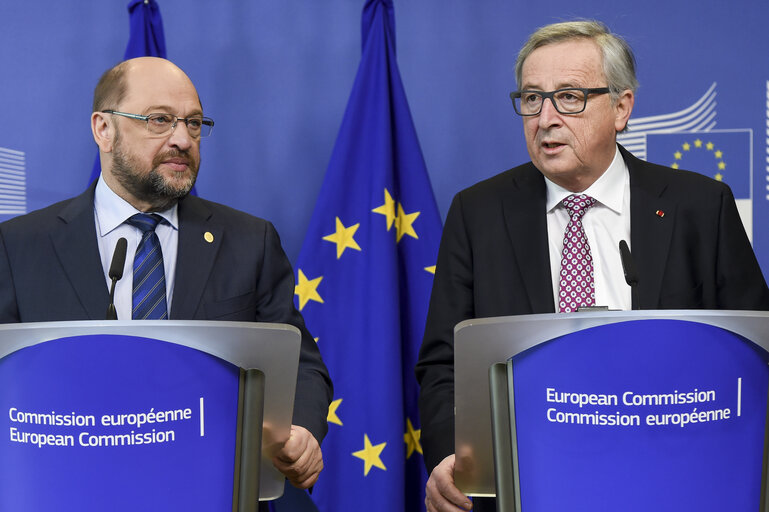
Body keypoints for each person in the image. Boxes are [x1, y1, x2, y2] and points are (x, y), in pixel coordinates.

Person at [415, 20, 769, 512]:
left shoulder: (700, 207)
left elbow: (751, 351)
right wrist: (451, 457)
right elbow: (444, 363)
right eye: (532, 99)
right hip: (528, 479)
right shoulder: (479, 212)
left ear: (621, 108)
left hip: (678, 475)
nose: (546, 118)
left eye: (570, 97)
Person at [0, 57, 332, 491]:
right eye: (160, 120)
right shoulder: (19, 245)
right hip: (66, 485)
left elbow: (301, 365)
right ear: (104, 129)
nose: (183, 139)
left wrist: (302, 430)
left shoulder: (250, 240)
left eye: (194, 124)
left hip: (214, 486)